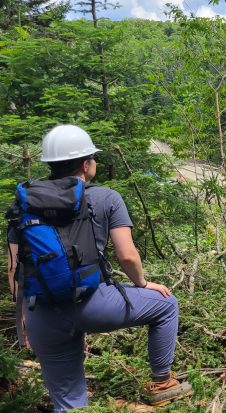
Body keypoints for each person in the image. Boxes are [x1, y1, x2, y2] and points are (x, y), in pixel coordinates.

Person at [5, 125, 191, 411]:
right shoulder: (106, 197)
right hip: (94, 302)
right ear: (85, 163)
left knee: (69, 405)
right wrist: (142, 284)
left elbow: (13, 267)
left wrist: (24, 317)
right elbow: (127, 255)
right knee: (167, 305)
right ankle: (162, 382)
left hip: (43, 312)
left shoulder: (25, 202)